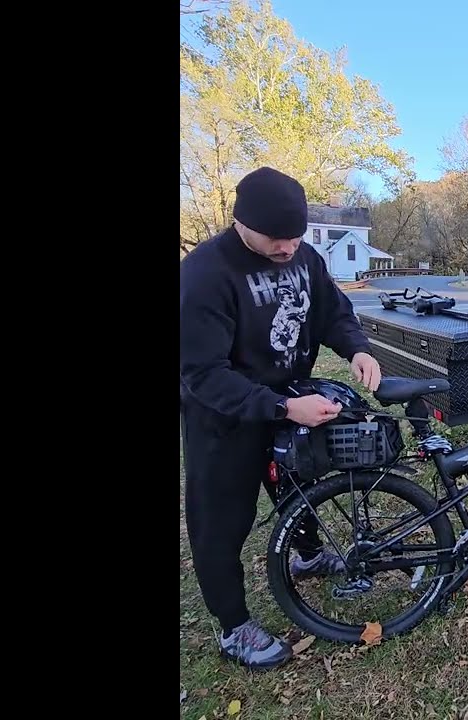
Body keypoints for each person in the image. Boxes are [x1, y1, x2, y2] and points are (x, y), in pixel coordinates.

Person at [180, 166, 383, 670]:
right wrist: (283, 407)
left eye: (296, 236)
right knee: (220, 524)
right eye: (276, 238)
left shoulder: (303, 257)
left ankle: (308, 556)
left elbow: (333, 312)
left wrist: (357, 348)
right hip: (223, 422)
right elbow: (203, 373)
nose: (288, 247)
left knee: (301, 489)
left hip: (289, 404)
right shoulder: (204, 273)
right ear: (241, 222)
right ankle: (234, 628)